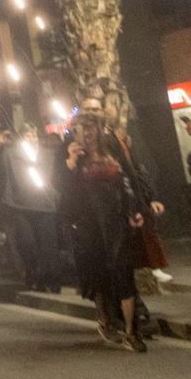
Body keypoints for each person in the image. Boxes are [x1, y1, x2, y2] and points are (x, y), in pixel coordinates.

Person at [60, 113, 148, 352]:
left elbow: (130, 177)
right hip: (88, 223)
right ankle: (105, 320)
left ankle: (132, 330)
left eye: (90, 127)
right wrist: (69, 163)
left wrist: (138, 207)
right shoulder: (71, 152)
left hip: (116, 219)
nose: (87, 133)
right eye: (81, 128)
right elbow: (61, 192)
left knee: (123, 270)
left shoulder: (111, 147)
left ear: (99, 129)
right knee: (98, 274)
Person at [1, 125, 61, 292]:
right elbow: (5, 177)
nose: (32, 138)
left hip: (45, 203)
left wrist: (55, 195)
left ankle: (52, 279)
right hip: (21, 204)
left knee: (49, 244)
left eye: (34, 135)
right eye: (28, 135)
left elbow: (55, 177)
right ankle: (35, 275)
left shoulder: (47, 153)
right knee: (28, 243)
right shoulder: (11, 154)